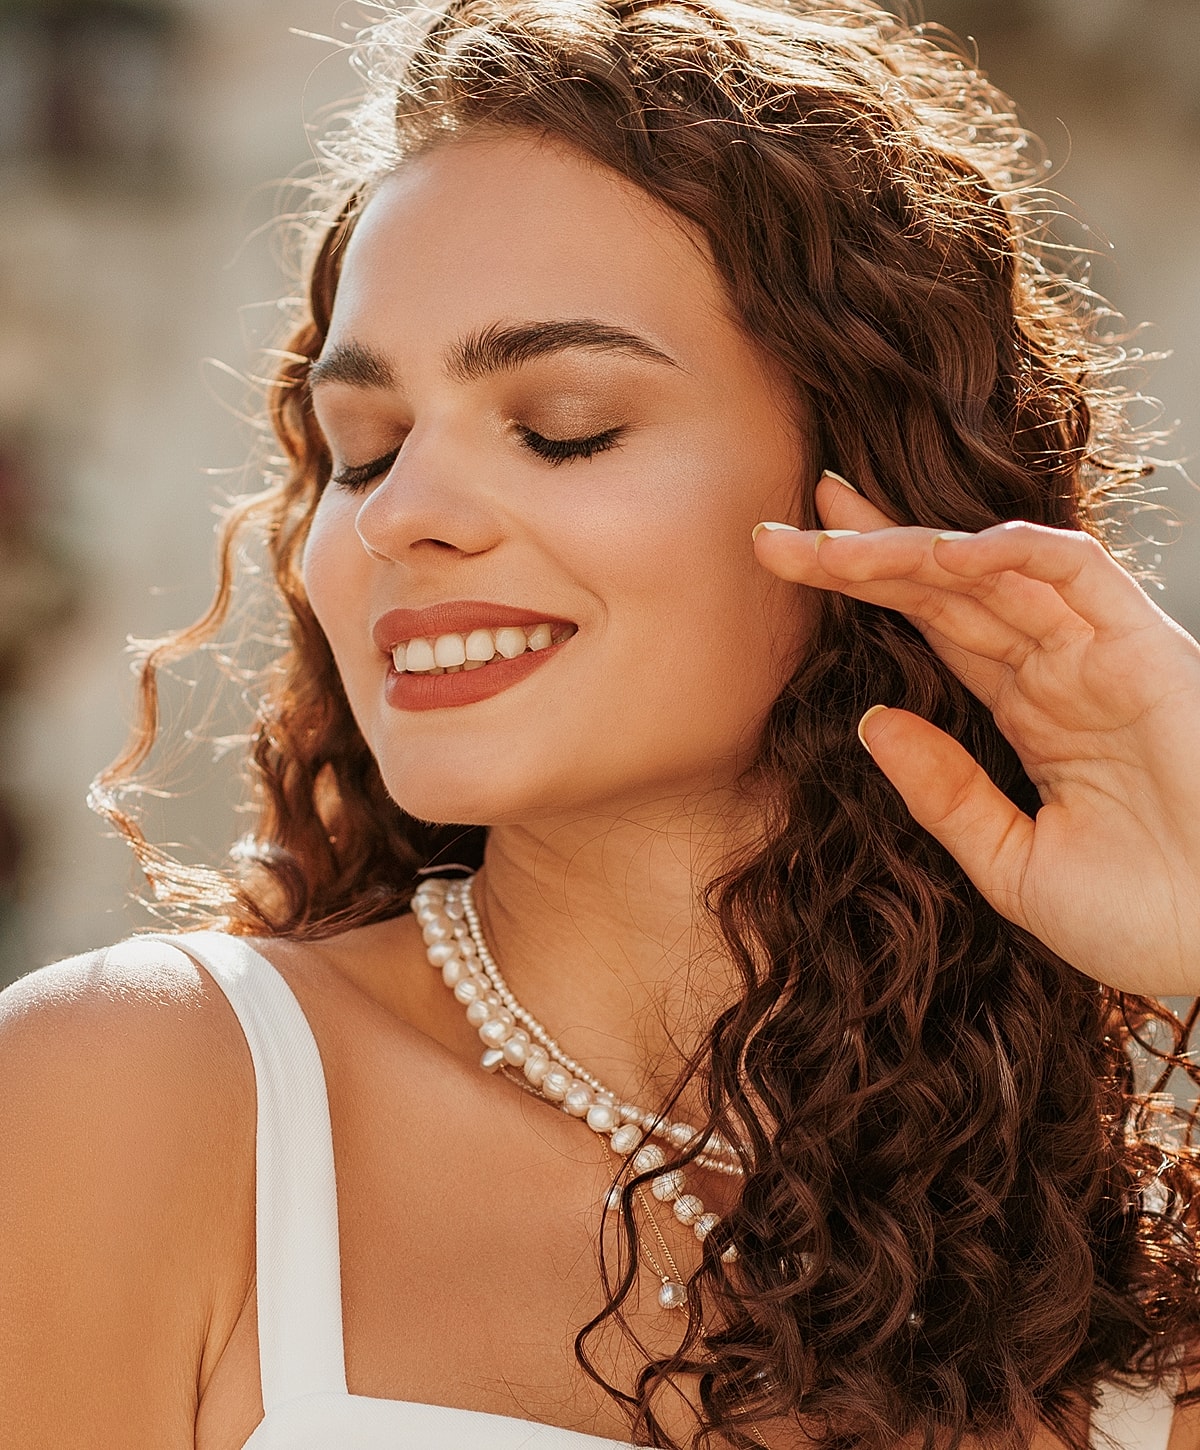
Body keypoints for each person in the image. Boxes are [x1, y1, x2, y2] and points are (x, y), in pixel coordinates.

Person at [2, 0, 1199, 1446]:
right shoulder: (136, 1095)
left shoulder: (1119, 1278)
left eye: (563, 422)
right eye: (362, 449)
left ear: (874, 479)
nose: (405, 517)